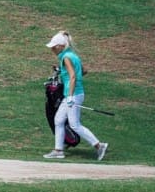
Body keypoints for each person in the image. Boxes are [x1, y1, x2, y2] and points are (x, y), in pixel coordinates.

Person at [43, 30, 108, 161]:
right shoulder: (72, 55)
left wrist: (71, 95)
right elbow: (83, 71)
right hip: (74, 93)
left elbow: (73, 76)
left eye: (54, 47)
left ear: (61, 46)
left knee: (74, 125)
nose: (52, 49)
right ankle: (58, 150)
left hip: (73, 95)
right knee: (58, 120)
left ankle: (99, 145)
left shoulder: (66, 57)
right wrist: (62, 72)